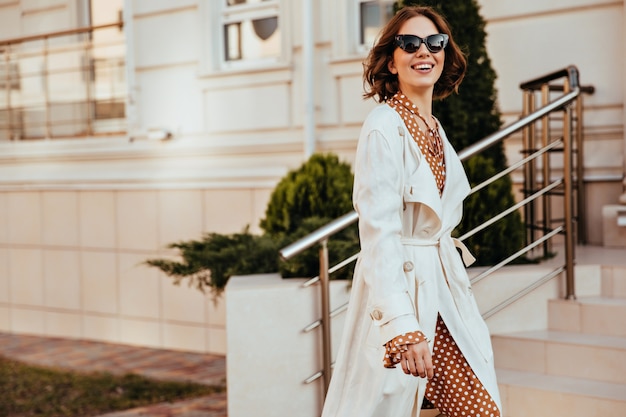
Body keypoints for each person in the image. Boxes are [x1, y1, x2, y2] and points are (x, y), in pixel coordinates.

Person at [321, 6, 502, 417]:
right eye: (410, 43)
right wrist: (401, 327)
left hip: (443, 292)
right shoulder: (383, 125)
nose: (425, 51)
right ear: (391, 59)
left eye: (435, 43)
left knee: (477, 407)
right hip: (406, 293)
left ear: (446, 54)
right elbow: (379, 234)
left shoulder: (435, 129)